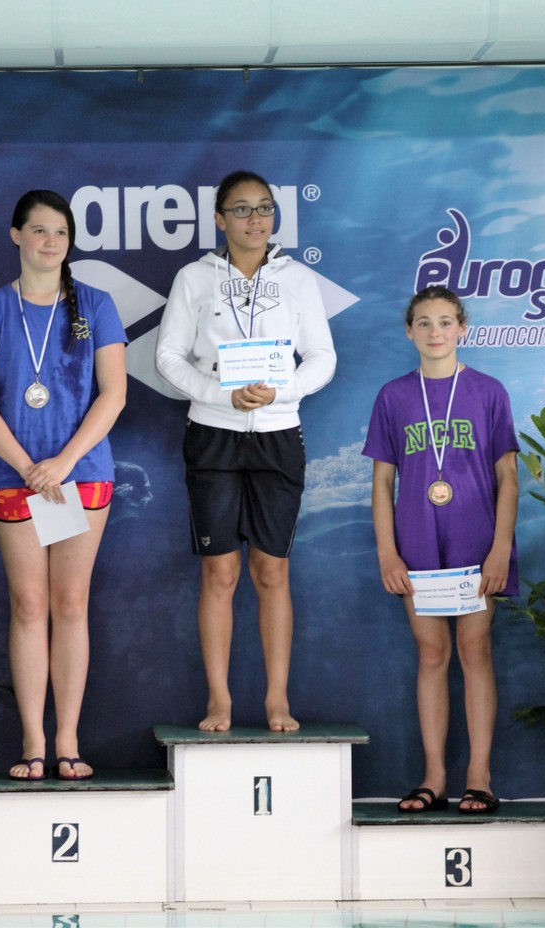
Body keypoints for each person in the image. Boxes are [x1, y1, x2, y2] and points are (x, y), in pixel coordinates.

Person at [156, 169, 336, 732]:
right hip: (213, 432)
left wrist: (282, 392)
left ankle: (277, 699)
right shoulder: (193, 278)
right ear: (219, 219)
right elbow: (167, 356)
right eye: (241, 209)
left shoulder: (300, 279)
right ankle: (220, 701)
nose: (255, 219)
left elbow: (323, 357)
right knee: (220, 573)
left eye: (264, 208)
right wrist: (220, 395)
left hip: (279, 434)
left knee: (272, 572)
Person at [0, 189, 127, 780]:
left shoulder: (97, 304)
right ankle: (33, 740)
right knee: (29, 605)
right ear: (16, 236)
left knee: (71, 603)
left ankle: (67, 741)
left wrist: (63, 462)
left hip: (81, 475)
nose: (50, 241)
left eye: (60, 231)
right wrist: (30, 466)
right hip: (15, 476)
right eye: (38, 230)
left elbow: (114, 394)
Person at [362, 286, 519, 814]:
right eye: (425, 322)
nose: (436, 332)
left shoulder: (488, 391)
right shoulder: (394, 396)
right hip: (418, 542)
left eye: (446, 322)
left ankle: (479, 776)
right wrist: (388, 553)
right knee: (431, 654)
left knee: (475, 650)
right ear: (410, 332)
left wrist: (500, 549)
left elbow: (508, 477)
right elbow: (382, 482)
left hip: (477, 539)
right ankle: (433, 776)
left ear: (462, 329)